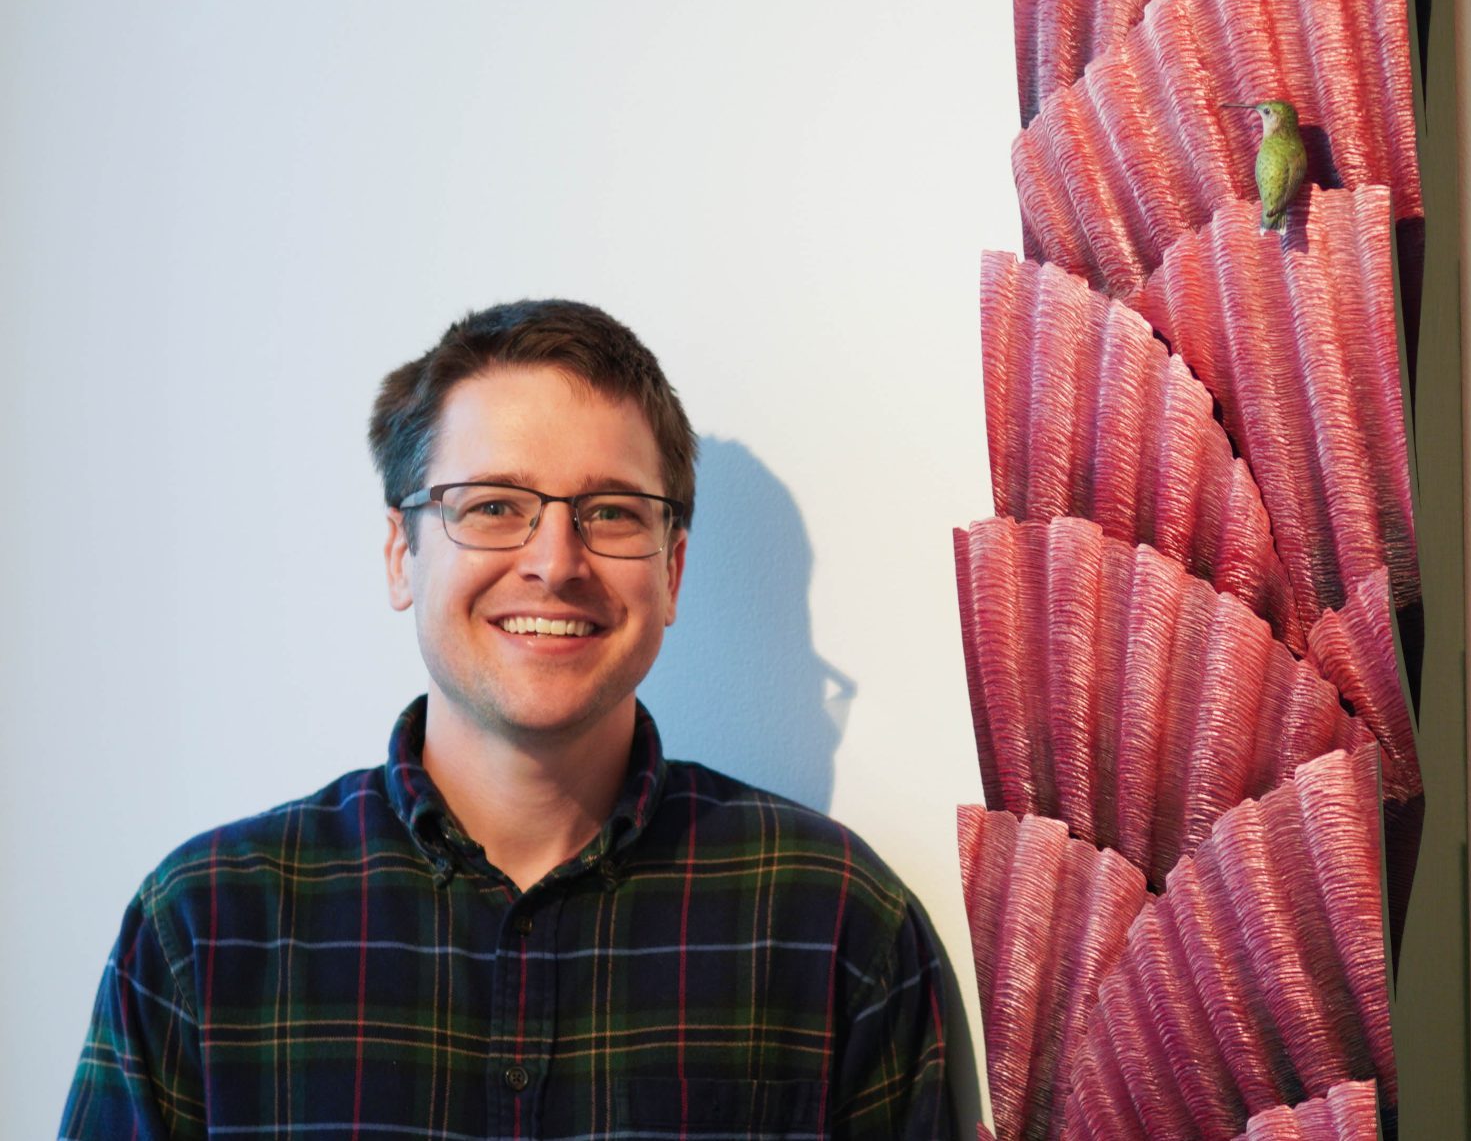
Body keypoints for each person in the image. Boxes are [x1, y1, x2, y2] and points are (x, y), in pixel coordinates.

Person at [61, 299, 953, 1139]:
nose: (554, 562)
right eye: (493, 507)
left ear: (672, 572)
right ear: (400, 556)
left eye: (609, 512)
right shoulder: (206, 927)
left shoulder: (834, 921)